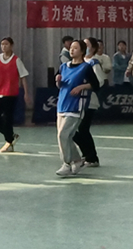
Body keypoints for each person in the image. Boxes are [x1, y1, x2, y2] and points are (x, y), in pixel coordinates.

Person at [55, 39, 100, 177]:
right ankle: (77, 160)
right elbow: (60, 85)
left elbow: (96, 85)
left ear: (82, 51)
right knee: (67, 136)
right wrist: (58, 81)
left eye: (75, 48)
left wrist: (82, 87)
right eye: (71, 47)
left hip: (76, 106)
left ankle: (66, 164)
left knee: (63, 134)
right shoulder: (63, 66)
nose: (71, 50)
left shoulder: (86, 67)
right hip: (62, 104)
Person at [0, 36, 31, 152]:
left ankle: (9, 142)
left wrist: (26, 93)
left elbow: (23, 77)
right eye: (2, 44)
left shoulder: (16, 60)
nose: (3, 46)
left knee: (8, 119)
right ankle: (11, 137)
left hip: (11, 94)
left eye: (6, 44)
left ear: (11, 46)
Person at [73, 37, 106, 168]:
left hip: (89, 101)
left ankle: (91, 157)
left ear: (93, 48)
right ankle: (87, 154)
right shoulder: (78, 62)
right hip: (76, 101)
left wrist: (85, 86)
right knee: (74, 130)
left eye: (87, 45)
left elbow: (100, 81)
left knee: (82, 129)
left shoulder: (93, 63)